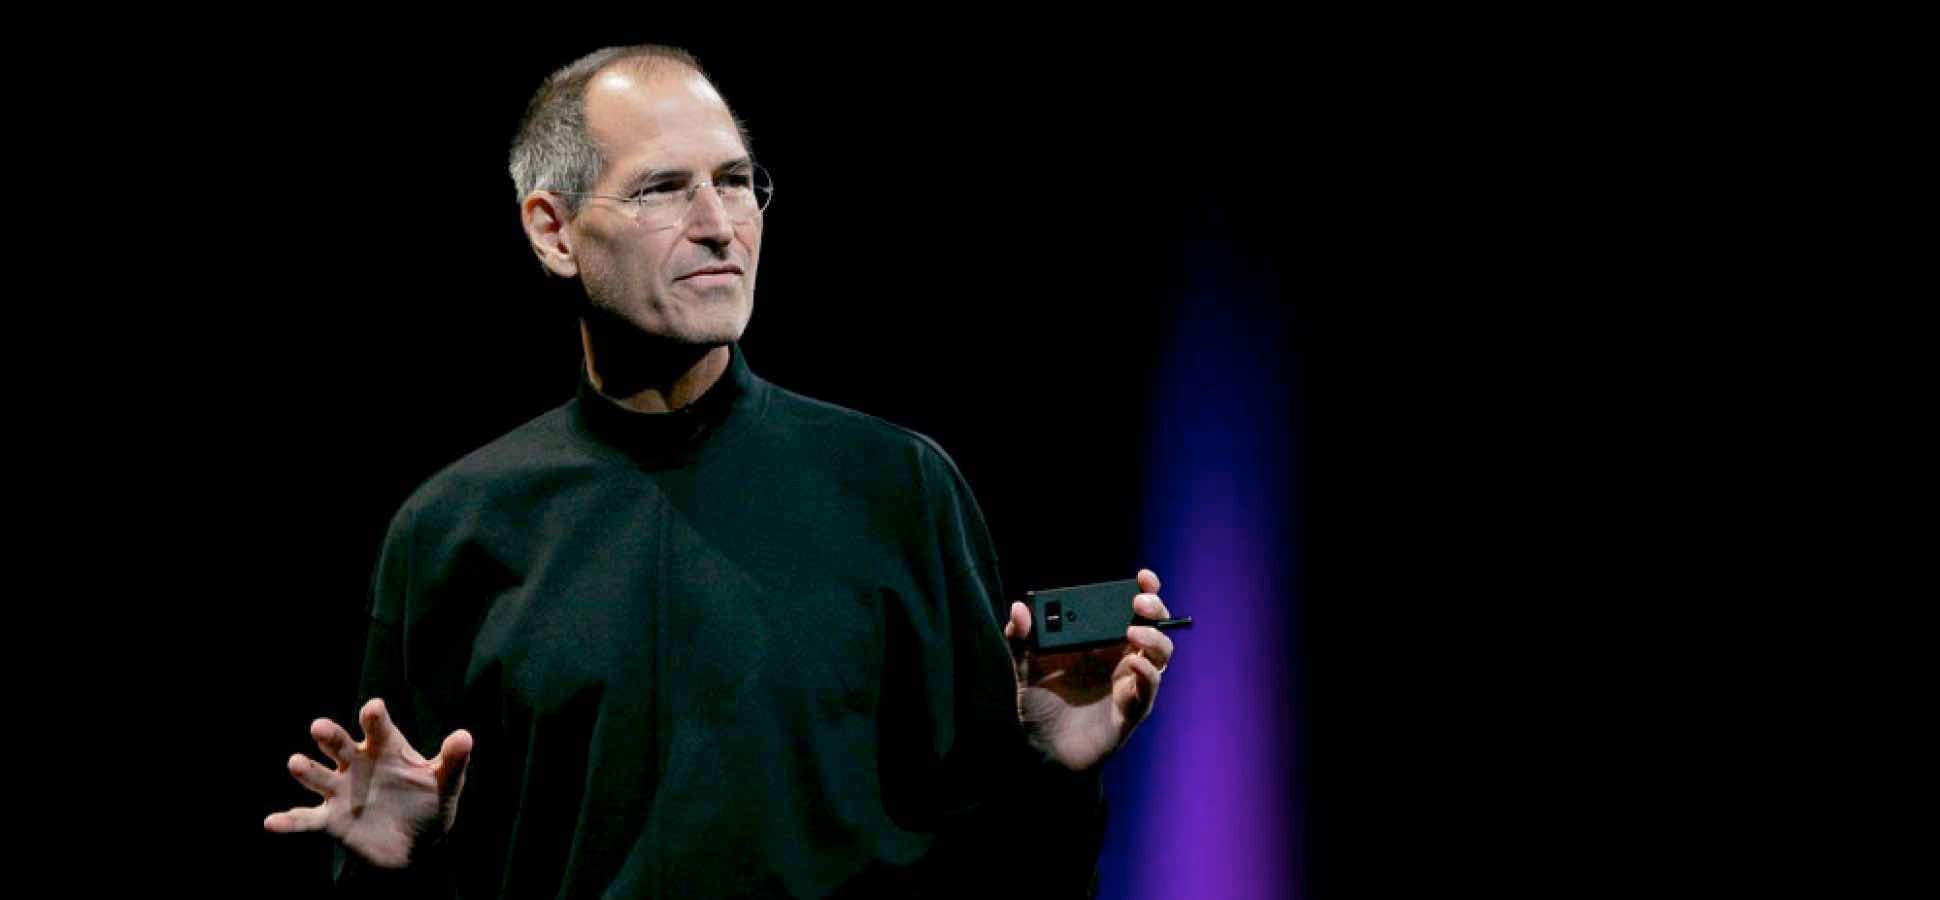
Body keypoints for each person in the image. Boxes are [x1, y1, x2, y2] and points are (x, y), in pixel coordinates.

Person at [262, 44, 1177, 898]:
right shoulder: (454, 528)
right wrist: (400, 867)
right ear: (553, 232)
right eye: (662, 189)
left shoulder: (898, 487)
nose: (719, 227)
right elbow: (407, 840)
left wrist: (1052, 770)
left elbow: (1000, 860)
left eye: (736, 182)